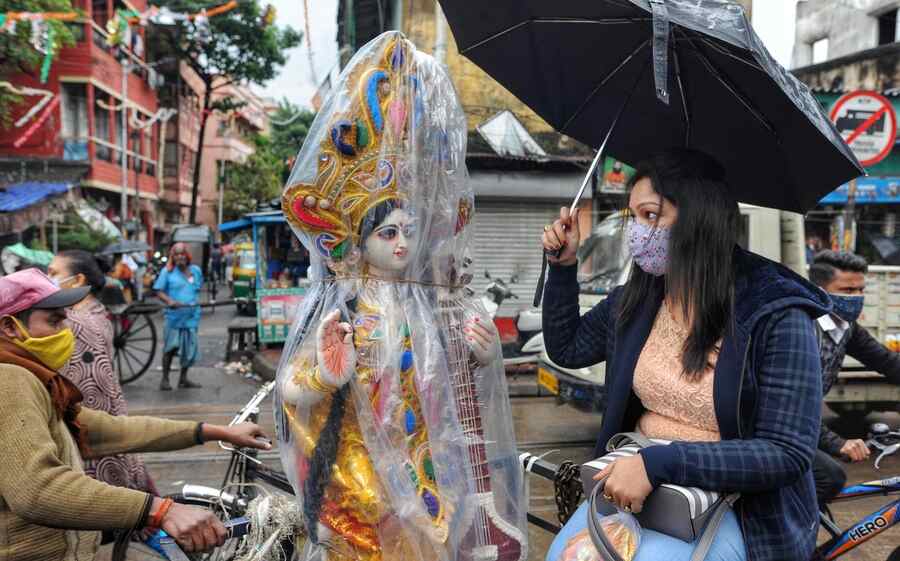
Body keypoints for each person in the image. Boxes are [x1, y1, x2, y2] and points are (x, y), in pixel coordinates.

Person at [274, 32, 525, 561]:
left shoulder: (430, 300)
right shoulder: (340, 304)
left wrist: (481, 356)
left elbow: (450, 387)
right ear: (359, 239)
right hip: (357, 480)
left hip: (428, 479)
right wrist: (324, 371)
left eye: (409, 231)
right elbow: (291, 392)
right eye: (388, 233)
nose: (404, 243)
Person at [542, 149, 829, 561]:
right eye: (635, 217)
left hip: (739, 504)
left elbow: (786, 452)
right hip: (633, 479)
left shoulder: (775, 311)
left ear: (699, 218)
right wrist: (563, 266)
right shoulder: (640, 298)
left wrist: (661, 463)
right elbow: (568, 347)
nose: (638, 232)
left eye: (651, 216)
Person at [0, 268, 271, 560]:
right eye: (53, 322)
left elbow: (110, 430)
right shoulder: (10, 379)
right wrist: (160, 510)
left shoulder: (37, 379)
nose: (65, 332)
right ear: (10, 327)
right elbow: (37, 489)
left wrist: (215, 431)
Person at [48, 250, 158, 497]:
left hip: (91, 445)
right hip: (111, 438)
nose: (48, 279)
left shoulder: (74, 324)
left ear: (77, 281)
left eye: (53, 273)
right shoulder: (97, 314)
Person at [808, 250, 900, 507]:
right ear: (818, 291)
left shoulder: (845, 327)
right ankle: (780, 538)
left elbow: (886, 361)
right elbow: (791, 405)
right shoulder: (804, 329)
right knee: (829, 477)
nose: (857, 298)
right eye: (847, 291)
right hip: (772, 427)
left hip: (800, 422)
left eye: (861, 290)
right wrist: (837, 443)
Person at [153, 243, 203, 391]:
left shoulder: (196, 271)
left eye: (182, 253)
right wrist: (170, 301)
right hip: (174, 317)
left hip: (191, 316)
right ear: (172, 257)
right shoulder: (167, 272)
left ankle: (183, 378)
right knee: (170, 348)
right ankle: (165, 379)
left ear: (187, 255)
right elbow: (158, 290)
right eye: (176, 254)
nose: (180, 256)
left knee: (189, 349)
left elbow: (197, 288)